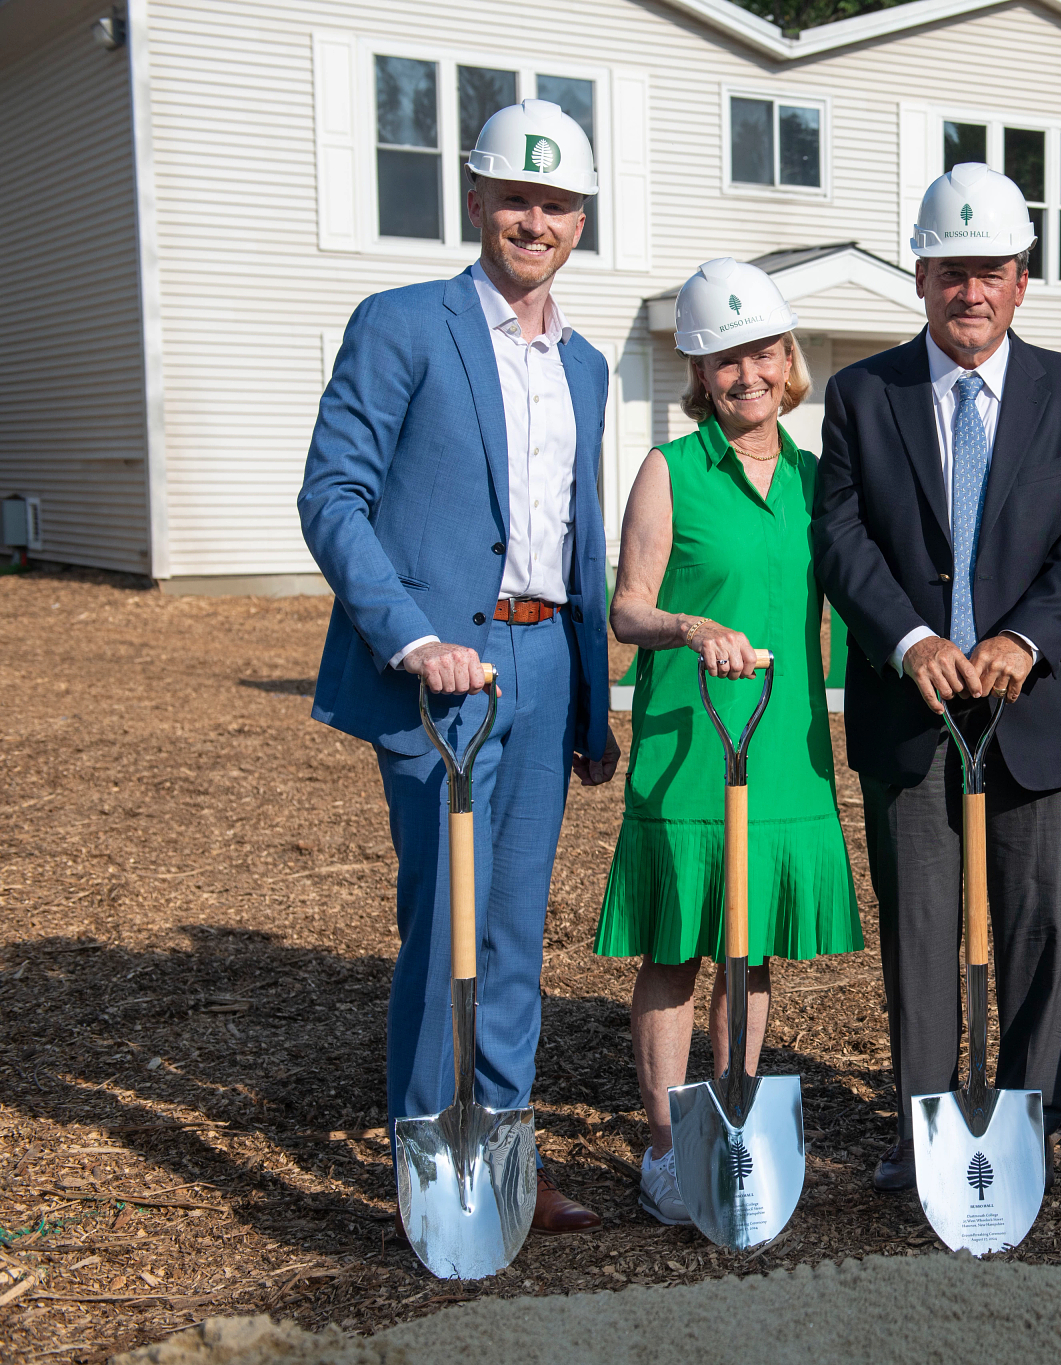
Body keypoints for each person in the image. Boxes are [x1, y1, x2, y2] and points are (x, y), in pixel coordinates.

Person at [298, 99, 617, 1235]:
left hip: (544, 661)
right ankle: (426, 1170)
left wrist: (591, 700)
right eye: (516, 197)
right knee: (447, 923)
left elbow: (576, 535)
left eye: (558, 203)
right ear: (475, 201)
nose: (536, 220)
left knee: (517, 930)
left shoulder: (583, 366)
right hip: (442, 673)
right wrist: (411, 634)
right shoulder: (401, 325)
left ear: (581, 218)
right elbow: (331, 495)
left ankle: (504, 1155)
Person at [813, 163, 1061, 1192]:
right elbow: (841, 535)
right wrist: (909, 640)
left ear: (1022, 280)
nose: (969, 292)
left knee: (1041, 930)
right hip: (913, 711)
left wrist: (1023, 641)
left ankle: (1028, 1126)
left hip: (1035, 710)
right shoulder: (864, 394)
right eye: (950, 271)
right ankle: (928, 1129)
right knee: (919, 935)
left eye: (989, 271)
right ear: (918, 275)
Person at [598, 258, 863, 1225]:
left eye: (763, 353)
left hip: (783, 744)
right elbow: (627, 608)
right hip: (688, 742)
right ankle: (668, 1145)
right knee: (676, 950)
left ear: (790, 360)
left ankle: (731, 1123)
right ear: (699, 372)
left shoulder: (818, 481)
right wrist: (691, 629)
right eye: (723, 359)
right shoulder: (670, 471)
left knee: (750, 958)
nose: (747, 374)